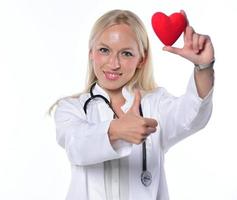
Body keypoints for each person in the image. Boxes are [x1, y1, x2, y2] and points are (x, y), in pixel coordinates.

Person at [51, 9, 214, 200]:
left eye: (126, 54)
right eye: (104, 50)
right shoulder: (71, 108)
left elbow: (192, 116)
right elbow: (76, 145)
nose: (113, 64)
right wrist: (116, 130)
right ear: (91, 53)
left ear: (141, 60)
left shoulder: (155, 103)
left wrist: (204, 68)